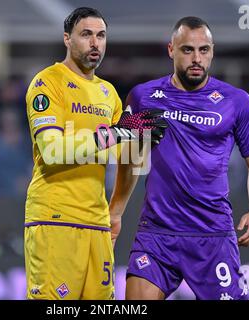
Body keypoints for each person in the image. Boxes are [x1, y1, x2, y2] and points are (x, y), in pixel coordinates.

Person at [109, 16, 249, 300]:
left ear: (212, 51)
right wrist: (116, 210)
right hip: (157, 233)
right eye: (187, 50)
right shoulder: (143, 98)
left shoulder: (237, 102)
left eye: (203, 50)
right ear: (171, 49)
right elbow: (131, 158)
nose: (196, 58)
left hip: (213, 235)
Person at [24, 7, 167, 300]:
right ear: (67, 39)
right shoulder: (47, 82)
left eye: (101, 36)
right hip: (55, 218)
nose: (95, 43)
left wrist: (143, 142)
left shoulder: (108, 93)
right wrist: (117, 132)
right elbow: (51, 150)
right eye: (86, 35)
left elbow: (129, 161)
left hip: (97, 224)